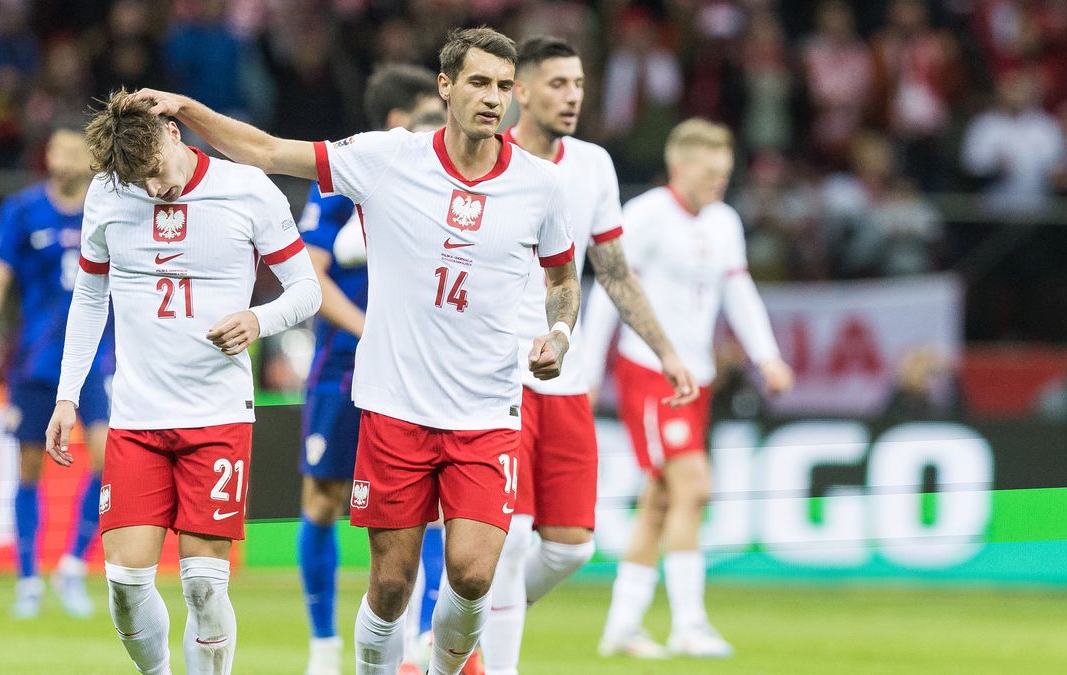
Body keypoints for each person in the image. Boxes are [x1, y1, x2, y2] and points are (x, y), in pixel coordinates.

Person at [136, 26, 582, 675]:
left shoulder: (540, 186)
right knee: (393, 583)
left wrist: (560, 334)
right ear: (446, 86)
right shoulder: (387, 157)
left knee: (474, 573)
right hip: (395, 406)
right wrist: (190, 110)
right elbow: (266, 149)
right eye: (478, 82)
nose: (492, 98)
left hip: (487, 410)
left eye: (504, 86)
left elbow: (562, 281)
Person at [44, 90, 321, 675]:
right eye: (137, 182)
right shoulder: (109, 193)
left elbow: (306, 290)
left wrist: (257, 319)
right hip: (138, 417)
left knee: (202, 585)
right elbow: (91, 294)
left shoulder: (246, 190)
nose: (153, 191)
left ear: (175, 133)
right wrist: (68, 393)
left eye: (157, 175)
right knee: (123, 584)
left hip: (217, 414)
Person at [479, 36, 696, 675]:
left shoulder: (594, 165)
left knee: (571, 548)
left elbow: (616, 273)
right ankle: (489, 661)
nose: (571, 95)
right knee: (511, 539)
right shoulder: (486, 159)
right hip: (496, 377)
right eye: (556, 84)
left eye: (577, 84)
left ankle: (453, 629)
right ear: (520, 91)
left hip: (565, 380)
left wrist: (666, 351)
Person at [584, 118, 794, 659]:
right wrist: (584, 373)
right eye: (709, 173)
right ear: (679, 167)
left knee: (659, 502)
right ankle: (690, 624)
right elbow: (610, 291)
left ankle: (622, 626)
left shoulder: (724, 221)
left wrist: (766, 356)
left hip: (696, 377)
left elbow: (738, 290)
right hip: (650, 370)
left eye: (724, 174)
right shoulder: (646, 215)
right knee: (694, 485)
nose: (718, 184)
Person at [295, 63, 445, 675]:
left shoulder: (448, 185)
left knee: (427, 504)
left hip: (417, 374)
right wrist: (371, 330)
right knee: (324, 500)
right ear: (398, 121)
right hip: (342, 368)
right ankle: (325, 646)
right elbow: (310, 273)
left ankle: (427, 641)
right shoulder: (345, 179)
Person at [0, 127, 114, 620]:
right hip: (38, 358)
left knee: (109, 459)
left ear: (92, 160)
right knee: (29, 466)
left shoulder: (108, 209)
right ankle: (27, 579)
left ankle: (72, 566)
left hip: (98, 356)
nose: (59, 158)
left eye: (71, 150)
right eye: (54, 149)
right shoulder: (22, 210)